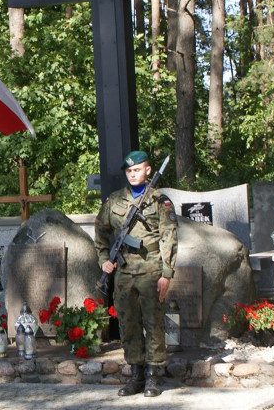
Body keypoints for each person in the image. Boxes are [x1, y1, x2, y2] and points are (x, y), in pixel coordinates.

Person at [94, 151, 178, 398]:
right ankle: (136, 375)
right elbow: (100, 230)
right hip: (124, 273)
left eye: (137, 170)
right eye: (129, 171)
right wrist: (103, 260)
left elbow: (169, 237)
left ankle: (153, 376)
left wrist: (167, 273)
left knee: (153, 322)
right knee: (128, 324)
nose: (133, 174)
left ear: (148, 171)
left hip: (151, 269)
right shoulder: (115, 200)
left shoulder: (159, 201)